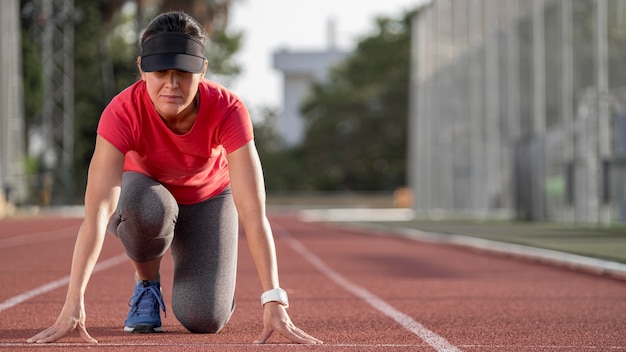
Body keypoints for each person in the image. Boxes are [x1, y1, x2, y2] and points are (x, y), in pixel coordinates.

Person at [27, 11, 322, 345]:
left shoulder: (228, 109)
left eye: (183, 72)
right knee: (148, 207)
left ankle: (212, 285)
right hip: (147, 195)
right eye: (160, 72)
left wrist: (274, 298)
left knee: (205, 319)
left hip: (209, 198)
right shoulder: (121, 112)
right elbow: (97, 213)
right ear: (141, 68)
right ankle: (146, 284)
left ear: (202, 70)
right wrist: (73, 302)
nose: (171, 83)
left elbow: (253, 212)